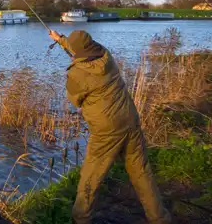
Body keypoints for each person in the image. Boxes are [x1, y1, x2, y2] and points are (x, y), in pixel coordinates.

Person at [49, 29, 172, 224]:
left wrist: (74, 63)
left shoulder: (76, 73)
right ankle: (160, 219)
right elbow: (83, 50)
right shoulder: (105, 55)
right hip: (130, 120)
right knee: (141, 172)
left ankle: (80, 218)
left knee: (91, 177)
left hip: (107, 131)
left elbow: (75, 100)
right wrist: (61, 40)